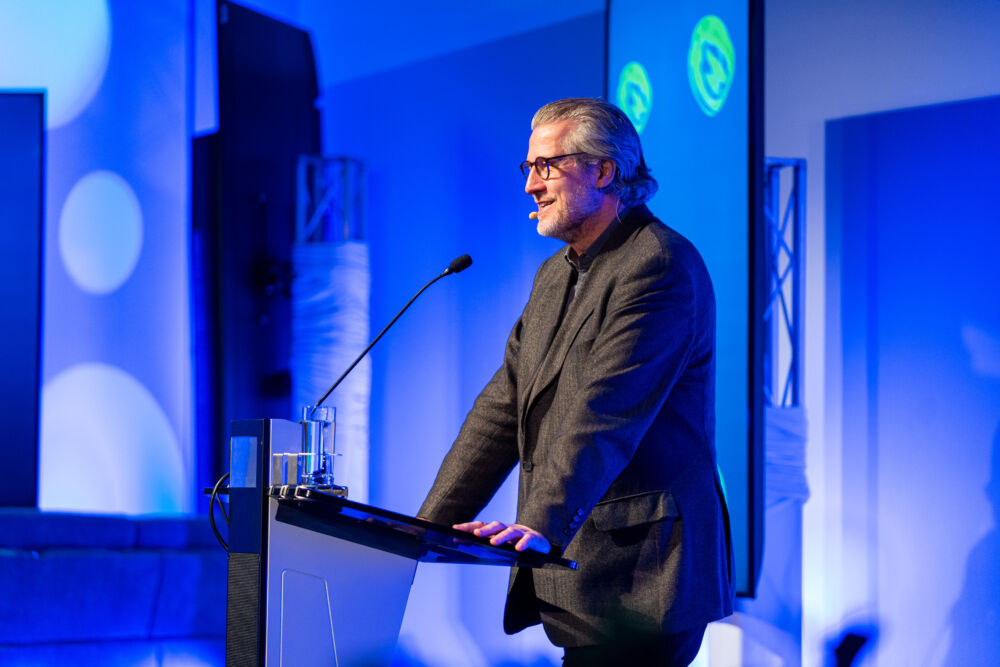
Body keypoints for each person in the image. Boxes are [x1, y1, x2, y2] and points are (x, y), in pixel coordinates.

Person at [418, 97, 733, 666]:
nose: (530, 185)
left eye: (547, 166)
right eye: (529, 167)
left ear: (604, 171)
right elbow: (502, 408)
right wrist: (425, 527)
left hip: (644, 579)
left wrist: (539, 523)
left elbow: (604, 414)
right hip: (585, 579)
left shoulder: (659, 265)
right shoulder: (554, 274)